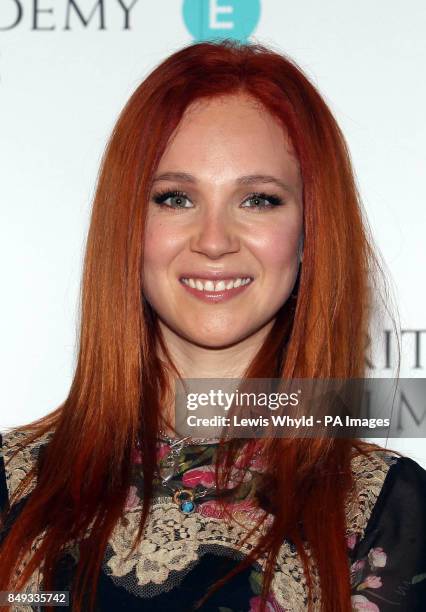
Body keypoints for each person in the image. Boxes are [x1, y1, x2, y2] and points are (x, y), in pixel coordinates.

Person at [1, 39, 425, 612]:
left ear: (310, 232)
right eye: (175, 198)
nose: (214, 241)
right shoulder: (11, 486)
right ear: (127, 222)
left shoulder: (387, 512)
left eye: (258, 200)